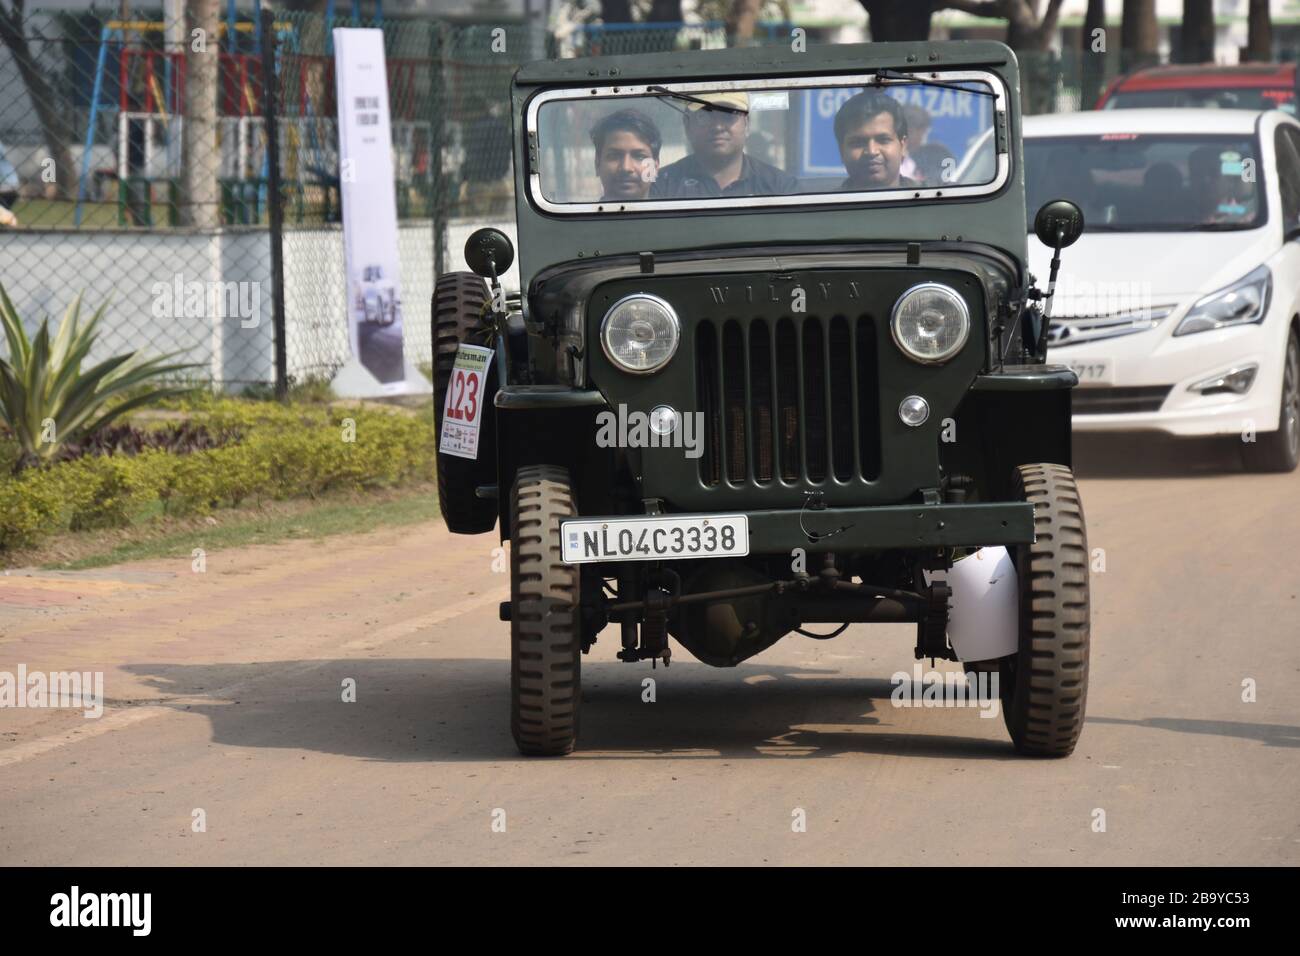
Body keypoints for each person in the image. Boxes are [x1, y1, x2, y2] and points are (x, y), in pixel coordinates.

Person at [650, 92, 796, 199]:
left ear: (747, 124)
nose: (718, 127)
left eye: (728, 115)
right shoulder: (662, 186)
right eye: (704, 116)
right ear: (687, 125)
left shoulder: (780, 187)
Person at [833, 91, 918, 191]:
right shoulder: (823, 205)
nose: (872, 151)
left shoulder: (929, 199)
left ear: (903, 147)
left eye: (883, 140)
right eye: (858, 143)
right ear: (841, 150)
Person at [590, 108, 662, 202]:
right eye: (614, 156)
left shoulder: (677, 216)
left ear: (655, 167)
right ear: (597, 164)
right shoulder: (578, 216)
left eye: (639, 156)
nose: (626, 167)